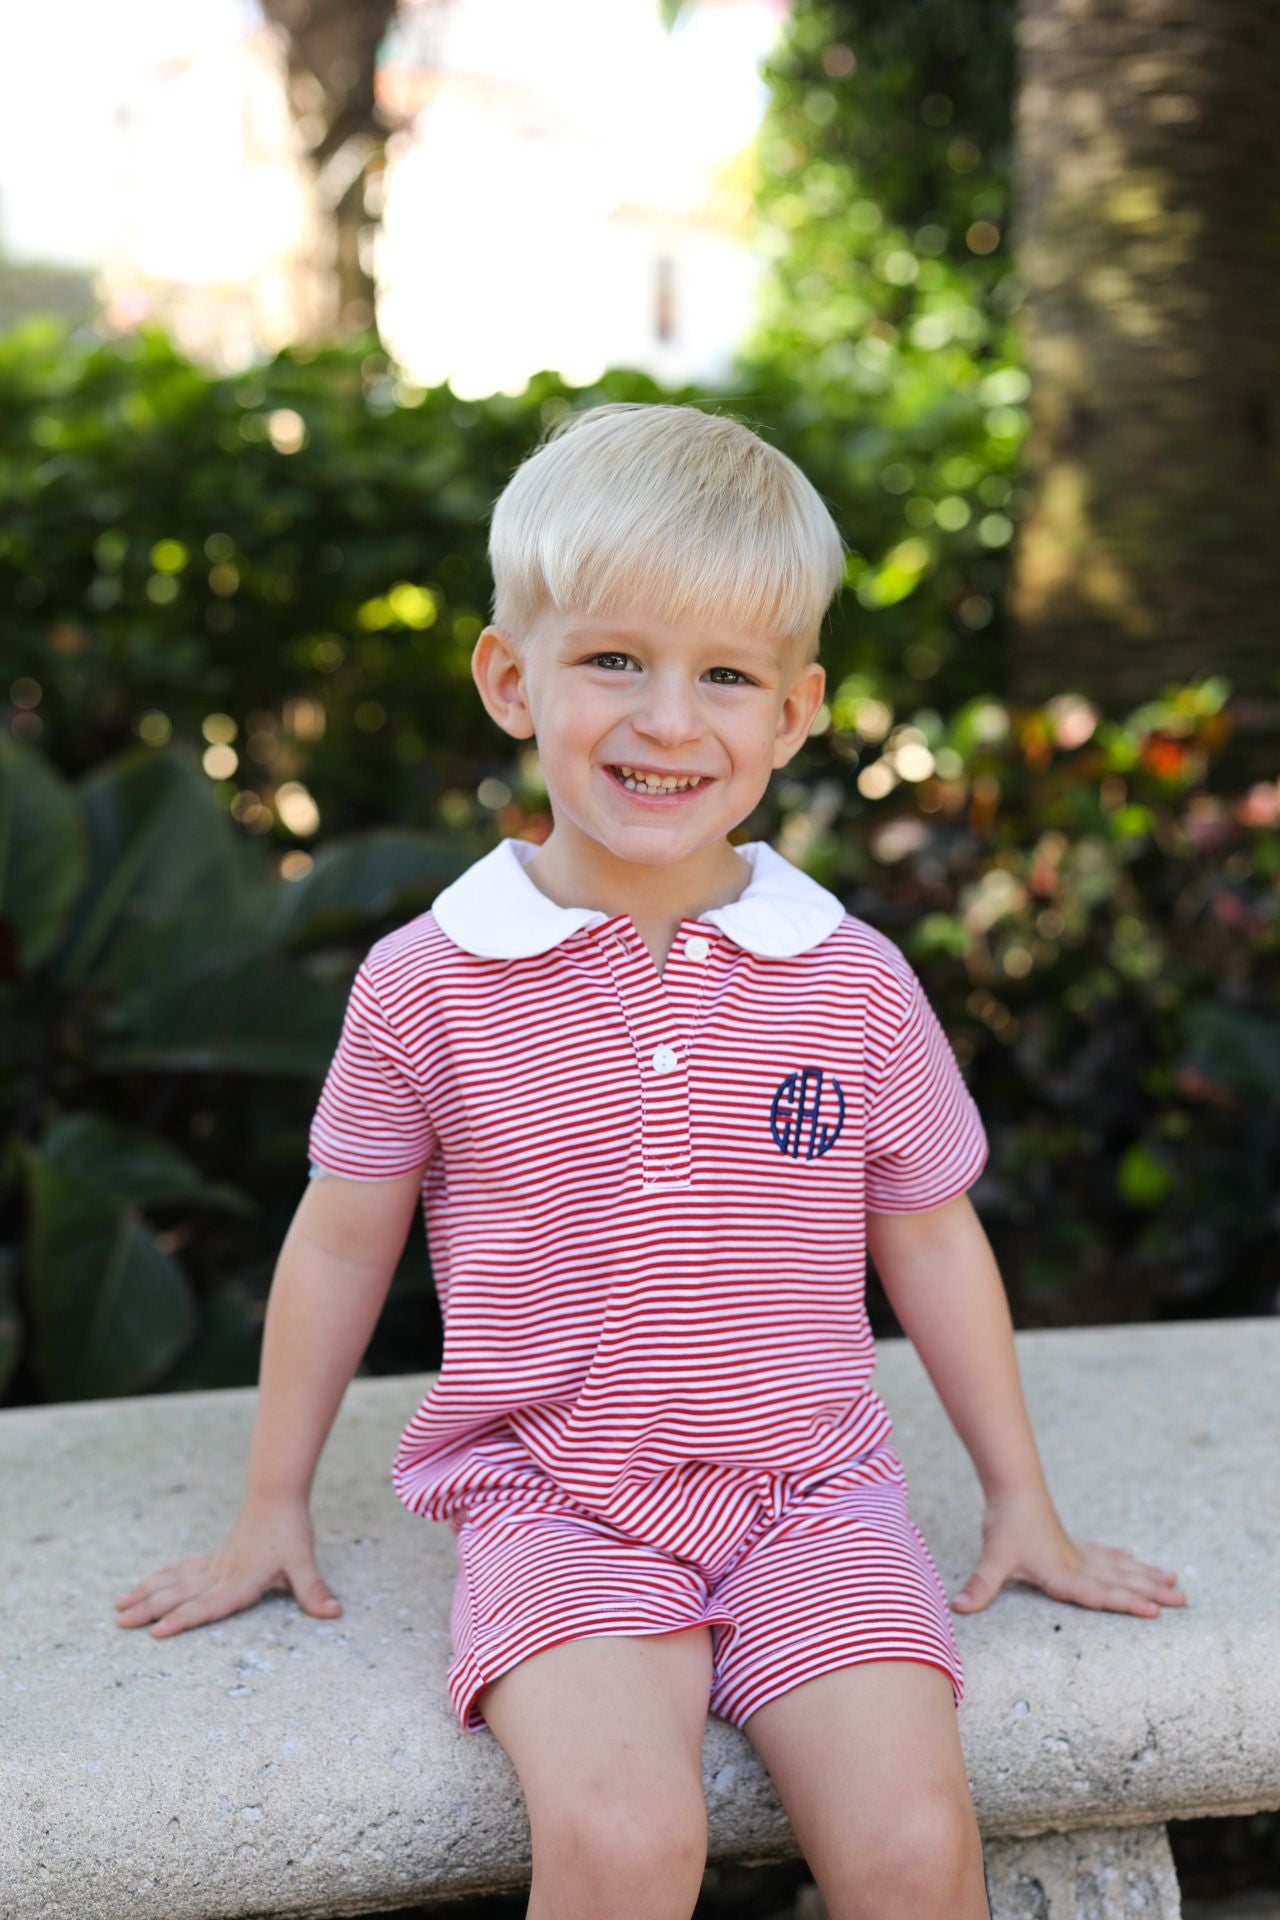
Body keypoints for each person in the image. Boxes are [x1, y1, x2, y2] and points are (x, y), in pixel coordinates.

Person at [115, 402, 1186, 1920]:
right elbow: (343, 1238)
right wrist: (269, 1505)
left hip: (812, 1497)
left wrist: (1023, 1502)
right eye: (615, 659)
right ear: (510, 677)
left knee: (911, 1857)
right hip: (560, 1498)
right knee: (626, 1848)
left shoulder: (851, 977)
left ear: (797, 713)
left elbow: (932, 1236)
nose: (670, 721)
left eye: (727, 677)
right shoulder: (430, 979)